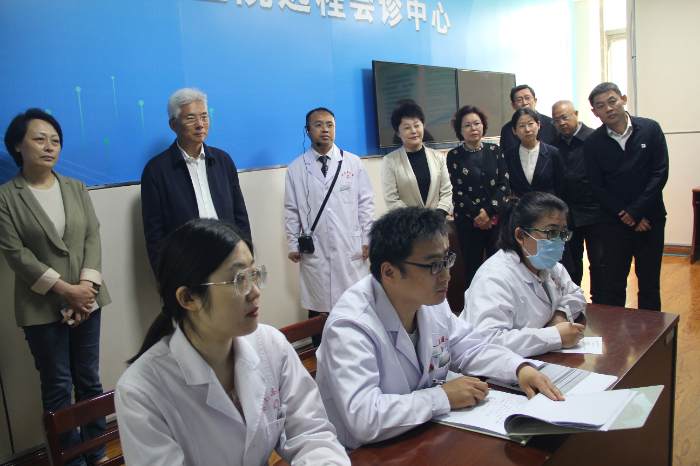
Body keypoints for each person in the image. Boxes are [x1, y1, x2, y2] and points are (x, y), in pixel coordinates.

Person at [315, 206, 564, 450]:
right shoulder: (350, 326)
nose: (446, 276)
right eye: (434, 265)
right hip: (362, 453)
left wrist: (518, 368)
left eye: (447, 260)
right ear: (390, 272)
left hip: (421, 435)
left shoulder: (429, 301)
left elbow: (470, 348)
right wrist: (442, 397)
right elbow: (365, 418)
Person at [115, 219, 350, 466]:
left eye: (254, 274)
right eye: (239, 279)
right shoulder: (141, 392)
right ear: (188, 297)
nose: (255, 292)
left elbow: (311, 434)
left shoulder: (270, 345)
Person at [0, 109, 111, 466]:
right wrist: (66, 290)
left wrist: (85, 286)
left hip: (88, 298)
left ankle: (97, 453)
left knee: (89, 380)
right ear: (17, 146)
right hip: (40, 306)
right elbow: (15, 254)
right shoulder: (6, 196)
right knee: (58, 386)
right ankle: (71, 460)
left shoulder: (75, 187)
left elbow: (92, 234)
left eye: (55, 141)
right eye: (39, 139)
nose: (49, 147)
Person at [284, 107, 375, 345]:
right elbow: (291, 209)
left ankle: (359, 353)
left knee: (355, 307)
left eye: (330, 125)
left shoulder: (352, 162)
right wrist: (293, 243)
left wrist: (368, 238)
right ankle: (320, 358)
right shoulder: (296, 168)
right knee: (319, 311)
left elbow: (366, 203)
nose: (325, 129)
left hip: (349, 247)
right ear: (307, 131)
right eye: (318, 125)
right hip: (316, 250)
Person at [460, 192, 587, 357]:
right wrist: (554, 336)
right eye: (551, 232)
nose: (559, 241)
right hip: (497, 366)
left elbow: (576, 294)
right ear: (521, 235)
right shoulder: (494, 278)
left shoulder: (550, 265)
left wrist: (559, 315)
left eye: (563, 234)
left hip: (537, 357)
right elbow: (489, 341)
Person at [141, 88, 251, 273]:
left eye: (204, 117)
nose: (200, 124)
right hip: (187, 265)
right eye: (191, 118)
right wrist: (163, 274)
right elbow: (154, 233)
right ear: (173, 124)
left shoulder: (223, 160)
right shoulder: (156, 170)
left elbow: (240, 216)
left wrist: (247, 256)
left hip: (229, 258)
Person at [583, 82, 669, 312]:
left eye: (612, 101)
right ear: (595, 112)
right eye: (601, 106)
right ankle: (615, 334)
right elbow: (597, 186)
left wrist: (636, 211)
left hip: (651, 219)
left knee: (649, 284)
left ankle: (651, 333)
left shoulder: (650, 129)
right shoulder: (592, 142)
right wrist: (627, 214)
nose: (609, 108)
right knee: (614, 285)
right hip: (614, 223)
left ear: (623, 99)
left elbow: (660, 173)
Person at [446, 105, 510, 288]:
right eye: (467, 125)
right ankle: (474, 304)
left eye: (477, 123)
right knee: (473, 269)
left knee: (498, 268)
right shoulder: (453, 156)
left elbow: (504, 183)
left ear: (483, 126)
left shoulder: (495, 151)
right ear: (460, 130)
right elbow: (454, 190)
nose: (473, 128)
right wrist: (477, 214)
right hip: (468, 223)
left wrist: (488, 212)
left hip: (495, 221)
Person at [550, 100, 605, 303]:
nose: (562, 123)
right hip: (567, 217)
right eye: (557, 120)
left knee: (599, 263)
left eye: (565, 117)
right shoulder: (554, 145)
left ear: (576, 114)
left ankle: (601, 304)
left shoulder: (595, 139)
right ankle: (574, 302)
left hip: (595, 212)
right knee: (571, 265)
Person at [381, 102, 452, 214]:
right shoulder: (390, 161)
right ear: (398, 133)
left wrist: (439, 215)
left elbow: (446, 191)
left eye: (417, 125)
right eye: (407, 127)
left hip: (437, 222)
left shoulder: (438, 156)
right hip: (408, 223)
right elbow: (391, 199)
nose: (413, 131)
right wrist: (417, 219)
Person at [499, 84, 558, 152]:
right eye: (519, 100)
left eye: (527, 98)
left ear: (535, 101)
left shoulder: (551, 124)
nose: (524, 103)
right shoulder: (507, 130)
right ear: (513, 105)